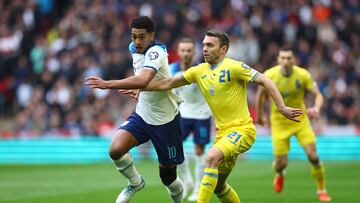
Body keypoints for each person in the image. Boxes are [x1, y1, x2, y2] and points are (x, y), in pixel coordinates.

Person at [138, 30, 302, 203]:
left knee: (210, 157)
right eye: (203, 45)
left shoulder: (235, 67)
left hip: (243, 130)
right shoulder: (199, 70)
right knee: (218, 186)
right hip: (222, 133)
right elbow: (168, 82)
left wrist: (281, 106)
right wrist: (141, 86)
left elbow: (266, 80)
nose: (205, 49)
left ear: (224, 49)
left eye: (210, 45)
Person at [85, 16, 184, 203]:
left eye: (142, 37)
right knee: (115, 149)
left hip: (166, 121)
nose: (137, 42)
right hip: (143, 114)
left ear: (152, 36)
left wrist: (108, 84)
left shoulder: (157, 51)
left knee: (168, 177)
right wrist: (140, 88)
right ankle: (135, 182)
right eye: (134, 36)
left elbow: (144, 79)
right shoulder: (133, 49)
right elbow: (143, 77)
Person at [255, 47, 332, 202]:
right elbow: (260, 96)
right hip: (279, 123)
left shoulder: (303, 75)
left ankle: (321, 190)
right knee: (280, 165)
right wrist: (260, 116)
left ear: (293, 60)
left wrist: (316, 108)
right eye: (282, 58)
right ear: (278, 59)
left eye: (288, 58)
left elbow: (318, 95)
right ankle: (280, 174)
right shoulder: (270, 75)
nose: (285, 61)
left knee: (313, 156)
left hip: (300, 121)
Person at [169, 38, 212, 201]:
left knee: (199, 151)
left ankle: (197, 188)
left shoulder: (201, 70)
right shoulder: (172, 69)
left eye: (189, 50)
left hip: (202, 115)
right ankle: (187, 180)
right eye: (183, 50)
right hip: (183, 114)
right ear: (178, 52)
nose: (186, 54)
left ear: (194, 53)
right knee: (175, 147)